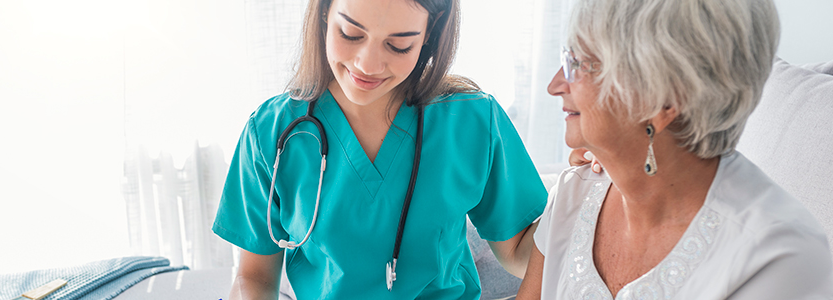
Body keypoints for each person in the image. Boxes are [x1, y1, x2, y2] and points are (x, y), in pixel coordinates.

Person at [212, 0, 548, 298]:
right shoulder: (271, 132)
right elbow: (254, 277)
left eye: (399, 45)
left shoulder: (472, 121)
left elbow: (520, 251)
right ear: (326, 12)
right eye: (351, 34)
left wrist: (595, 185)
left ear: (430, 32)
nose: (368, 65)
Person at [517, 0, 833, 298]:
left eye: (577, 64)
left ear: (663, 99)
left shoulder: (779, 260)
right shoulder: (576, 193)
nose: (555, 85)